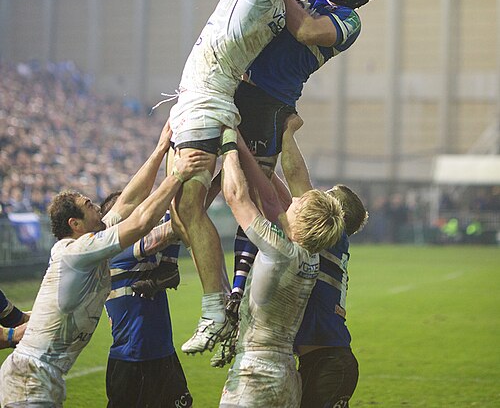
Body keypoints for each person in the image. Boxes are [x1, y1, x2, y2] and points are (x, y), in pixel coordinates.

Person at [168, 0, 315, 354]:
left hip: (207, 97)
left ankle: (215, 310)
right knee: (181, 211)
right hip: (199, 97)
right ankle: (214, 296)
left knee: (189, 208)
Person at [228, 0, 376, 305]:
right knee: (199, 171)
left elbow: (308, 32)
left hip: (270, 101)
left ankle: (239, 290)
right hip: (240, 77)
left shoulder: (347, 22)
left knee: (254, 190)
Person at [0, 122, 210, 408]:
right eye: (88, 205)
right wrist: (176, 175)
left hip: (42, 377)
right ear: (75, 224)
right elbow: (140, 221)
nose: (97, 207)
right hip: (30, 378)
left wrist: (161, 148)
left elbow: (128, 201)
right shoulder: (77, 250)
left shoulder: (88, 245)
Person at [218, 127, 344, 408]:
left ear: (301, 221)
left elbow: (236, 197)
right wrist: (246, 148)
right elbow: (272, 198)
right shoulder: (310, 256)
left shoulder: (280, 250)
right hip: (287, 375)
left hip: (255, 373)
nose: (294, 200)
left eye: (299, 203)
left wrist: (228, 144)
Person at [281, 116, 368, 408]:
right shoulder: (333, 241)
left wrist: (287, 132)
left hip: (329, 364)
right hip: (326, 361)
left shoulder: (332, 233)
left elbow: (296, 181)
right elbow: (290, 196)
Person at [100, 194, 191, 408]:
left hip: (163, 354)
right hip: (133, 362)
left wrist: (211, 182)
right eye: (134, 210)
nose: (142, 213)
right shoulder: (117, 252)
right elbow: (177, 224)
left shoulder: (143, 254)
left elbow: (183, 216)